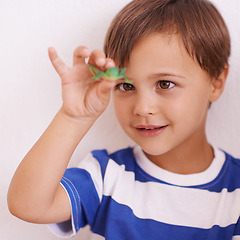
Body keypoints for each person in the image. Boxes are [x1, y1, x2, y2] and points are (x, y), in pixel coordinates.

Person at [8, 0, 240, 239]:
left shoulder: (235, 194)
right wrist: (74, 117)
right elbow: (26, 205)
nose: (142, 108)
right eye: (126, 85)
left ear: (216, 82)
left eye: (164, 84)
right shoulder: (106, 176)